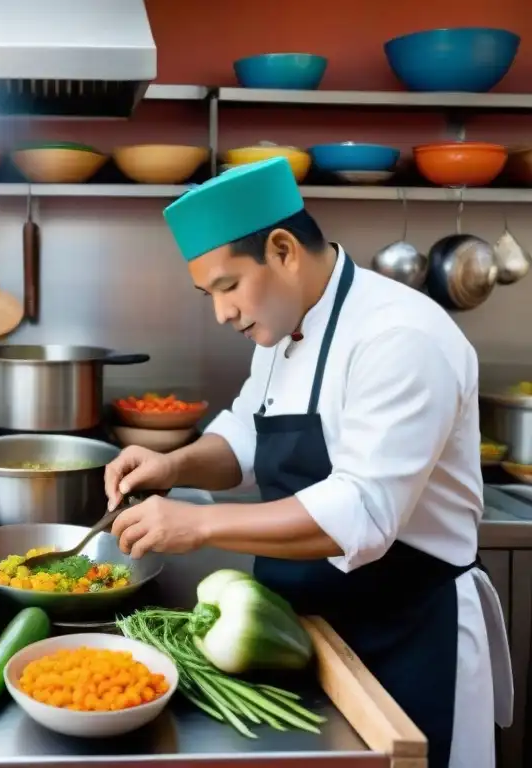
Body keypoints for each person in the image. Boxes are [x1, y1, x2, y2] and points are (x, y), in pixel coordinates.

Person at [105, 157, 512, 768]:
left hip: (406, 637)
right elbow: (247, 438)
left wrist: (199, 525)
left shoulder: (401, 336)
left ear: (283, 250)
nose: (222, 313)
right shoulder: (282, 328)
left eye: (228, 286)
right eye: (208, 294)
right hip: (301, 635)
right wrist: (173, 466)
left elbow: (363, 514)